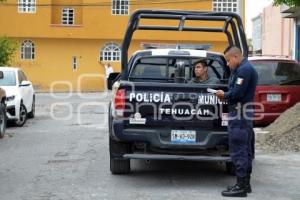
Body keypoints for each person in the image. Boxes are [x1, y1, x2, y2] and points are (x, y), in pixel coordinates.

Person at [215, 46, 258, 197]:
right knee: (244, 149)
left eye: (228, 60)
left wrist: (223, 95)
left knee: (238, 149)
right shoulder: (243, 69)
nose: (227, 64)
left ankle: (241, 186)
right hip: (242, 113)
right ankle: (245, 184)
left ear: (235, 57)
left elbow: (236, 93)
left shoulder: (243, 70)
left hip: (240, 114)